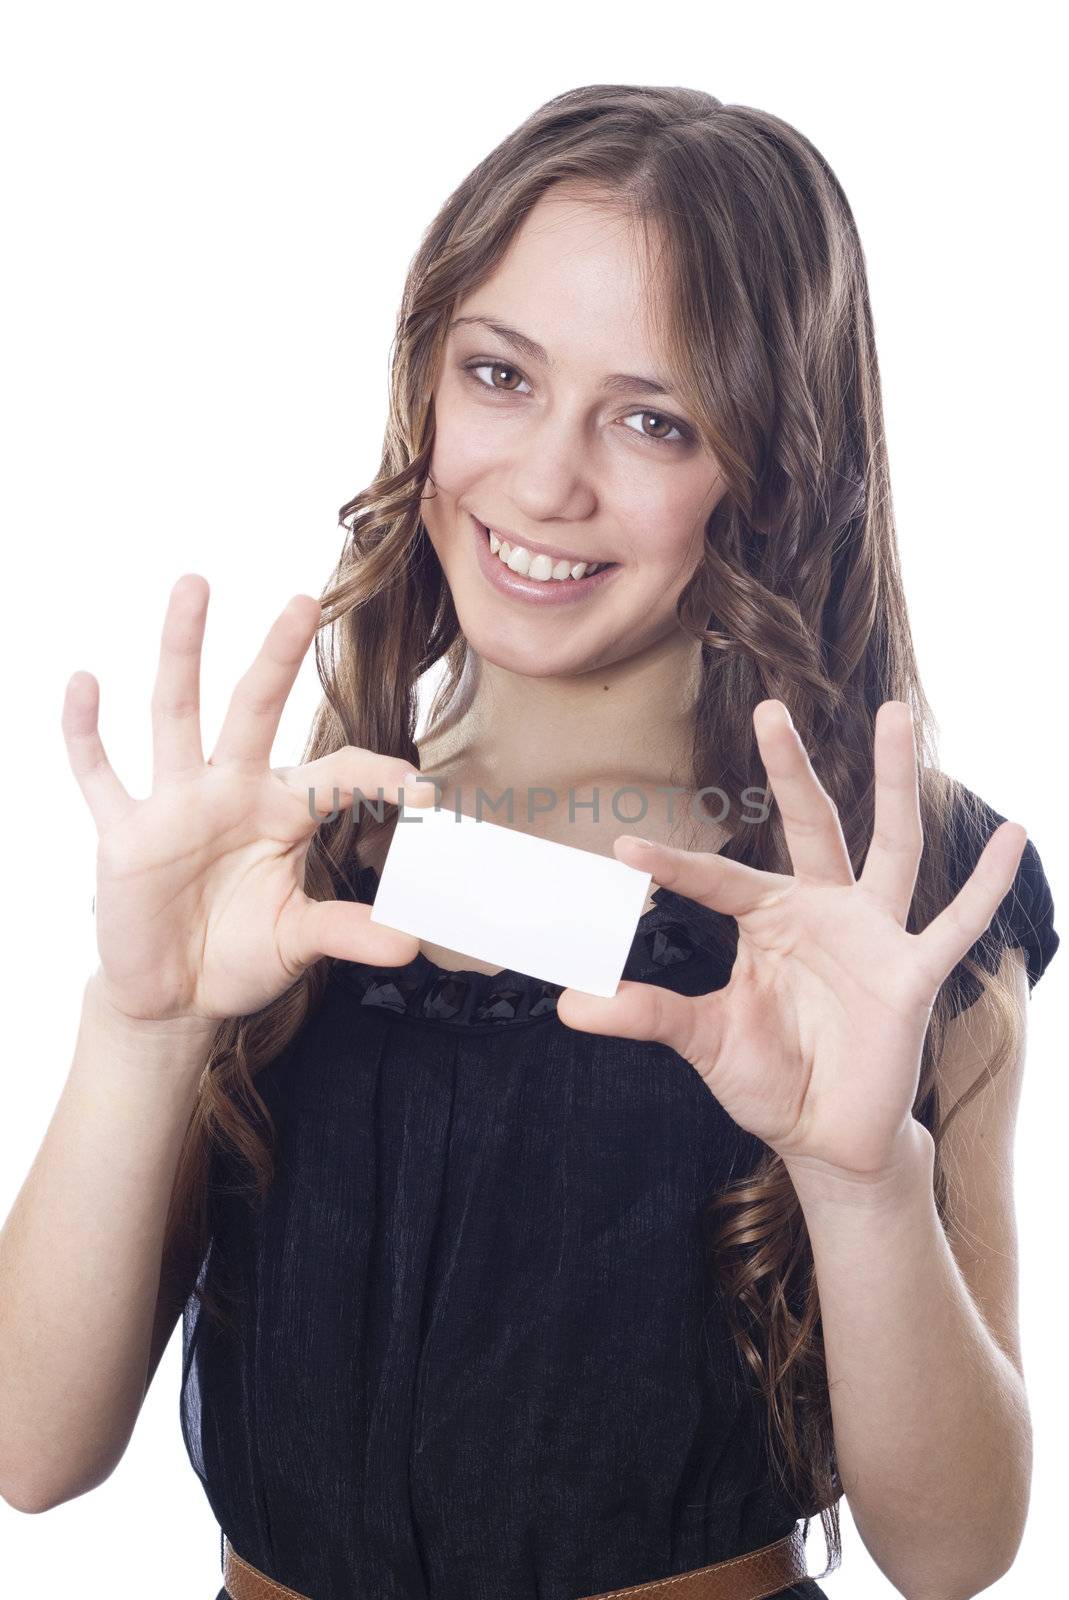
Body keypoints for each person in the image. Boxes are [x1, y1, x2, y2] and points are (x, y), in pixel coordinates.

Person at [0, 84, 1059, 1600]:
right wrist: (142, 1027)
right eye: (499, 375)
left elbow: (954, 1553)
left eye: (651, 419)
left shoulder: (892, 902)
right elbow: (29, 1454)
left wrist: (860, 1181)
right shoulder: (285, 856)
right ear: (425, 380)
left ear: (771, 464)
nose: (546, 480)